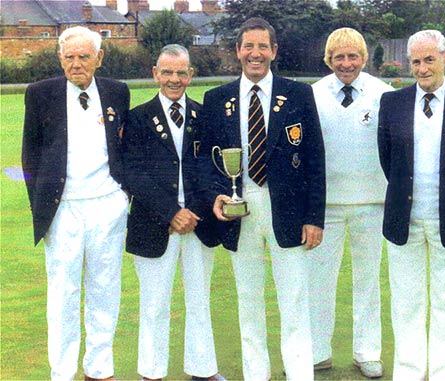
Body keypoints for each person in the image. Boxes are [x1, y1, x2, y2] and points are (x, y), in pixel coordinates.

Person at [199, 17, 326, 381]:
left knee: (294, 301)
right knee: (249, 302)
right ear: (238, 51)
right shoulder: (217, 98)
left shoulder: (299, 94)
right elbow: (206, 161)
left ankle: (300, 374)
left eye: (262, 47)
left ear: (274, 51)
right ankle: (257, 374)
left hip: (287, 209)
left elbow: (315, 159)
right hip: (241, 208)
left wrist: (314, 217)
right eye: (248, 46)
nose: (255, 54)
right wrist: (216, 198)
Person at [377, 30, 445, 381]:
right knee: (406, 303)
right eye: (416, 61)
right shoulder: (392, 103)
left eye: (429, 60)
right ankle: (409, 372)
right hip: (404, 219)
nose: (422, 68)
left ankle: (443, 374)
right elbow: (387, 159)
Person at [21, 26, 130, 381]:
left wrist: (122, 195)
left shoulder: (118, 92)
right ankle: (62, 372)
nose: (76, 64)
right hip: (63, 209)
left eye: (84, 56)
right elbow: (30, 156)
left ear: (99, 58)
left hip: (107, 206)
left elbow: (124, 150)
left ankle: (99, 369)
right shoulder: (39, 94)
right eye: (69, 57)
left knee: (105, 289)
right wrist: (43, 207)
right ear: (60, 58)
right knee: (63, 294)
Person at [121, 44, 225, 381]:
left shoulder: (204, 114)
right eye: (167, 72)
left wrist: (191, 211)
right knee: (153, 305)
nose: (174, 79)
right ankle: (151, 374)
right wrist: (171, 213)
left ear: (191, 75)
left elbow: (213, 169)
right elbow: (133, 172)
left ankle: (203, 370)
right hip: (154, 224)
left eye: (181, 72)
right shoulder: (137, 117)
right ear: (155, 74)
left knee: (199, 300)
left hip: (198, 223)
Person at [310, 27, 393, 379]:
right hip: (325, 207)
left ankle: (367, 352)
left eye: (353, 56)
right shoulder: (311, 94)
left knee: (368, 280)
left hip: (372, 204)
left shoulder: (384, 94)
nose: (346, 63)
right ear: (329, 59)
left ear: (364, 58)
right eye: (339, 57)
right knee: (319, 281)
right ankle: (316, 352)